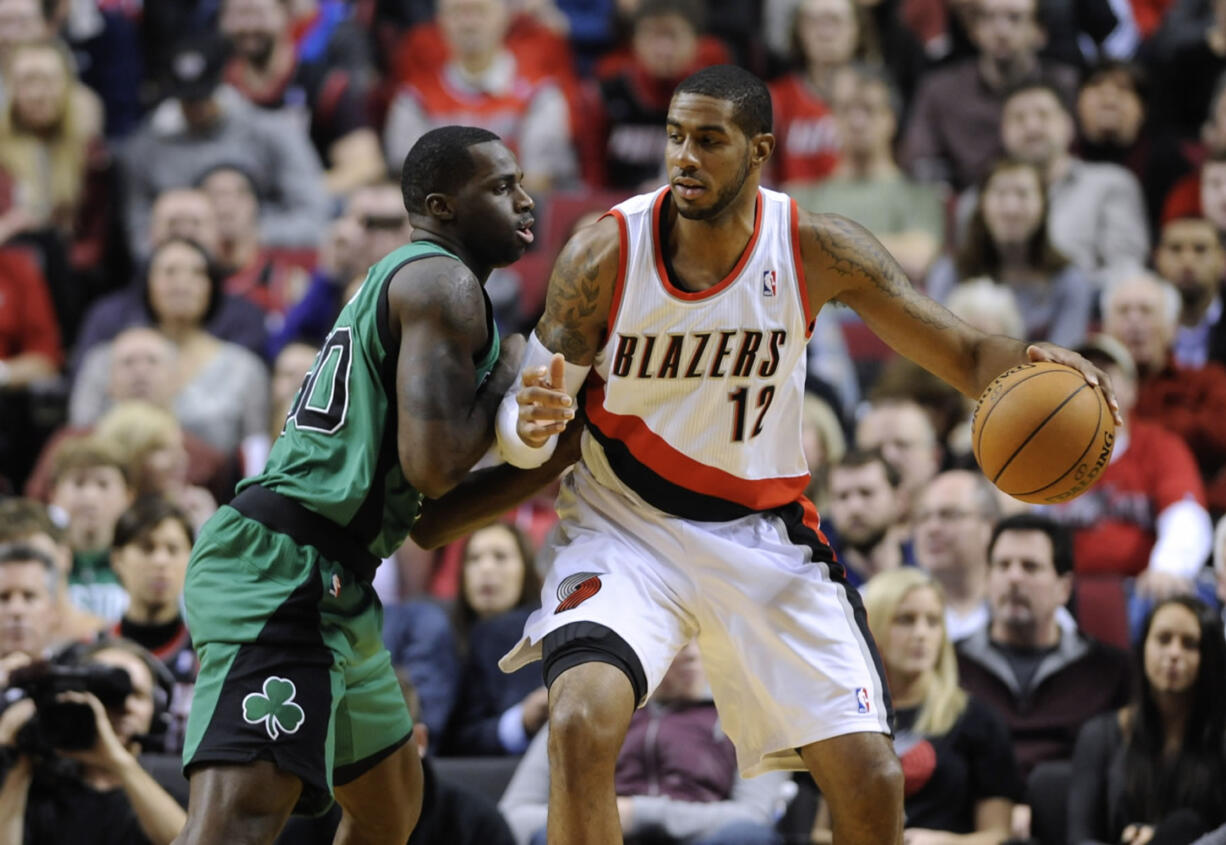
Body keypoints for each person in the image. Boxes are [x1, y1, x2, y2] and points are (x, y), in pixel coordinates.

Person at [492, 65, 1119, 845]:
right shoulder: (603, 255)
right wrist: (531, 423)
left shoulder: (814, 247)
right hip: (627, 526)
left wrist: (1033, 361)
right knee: (581, 723)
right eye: (676, 137)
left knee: (871, 777)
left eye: (709, 141)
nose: (685, 157)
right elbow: (523, 430)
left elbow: (959, 350)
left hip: (764, 532)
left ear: (759, 151)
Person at [171, 125, 580, 845]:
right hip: (281, 573)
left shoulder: (421, 287)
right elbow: (436, 466)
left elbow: (427, 518)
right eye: (500, 186)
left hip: (337, 579)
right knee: (234, 827)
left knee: (391, 807)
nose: (525, 202)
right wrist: (510, 365)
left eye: (521, 184)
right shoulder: (440, 281)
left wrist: (552, 460)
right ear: (441, 205)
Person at [500, 642, 789, 845]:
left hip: (701, 838)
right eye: (674, 637)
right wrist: (599, 820)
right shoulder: (578, 712)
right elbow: (515, 815)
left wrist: (638, 815)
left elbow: (754, 816)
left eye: (700, 635)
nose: (690, 652)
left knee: (746, 838)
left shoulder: (752, 716)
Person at [812, 568, 1022, 843]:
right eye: (905, 620)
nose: (921, 633)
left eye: (933, 622)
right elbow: (816, 833)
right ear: (871, 627)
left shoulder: (979, 720)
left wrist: (948, 843)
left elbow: (999, 835)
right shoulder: (844, 717)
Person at [957, 514, 1133, 779]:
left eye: (1030, 567)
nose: (1014, 578)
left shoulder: (1111, 671)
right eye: (1003, 565)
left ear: (1064, 588)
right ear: (986, 580)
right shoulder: (949, 664)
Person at [1067, 596, 1226, 845]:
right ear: (1142, 649)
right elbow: (1080, 837)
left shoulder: (1220, 735)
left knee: (1183, 826)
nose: (1174, 653)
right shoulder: (1100, 735)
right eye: (1163, 639)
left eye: (1190, 644)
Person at [0, 638, 186, 845]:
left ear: (157, 710)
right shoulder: (41, 784)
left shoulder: (180, 779)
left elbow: (189, 840)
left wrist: (118, 762)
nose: (125, 707)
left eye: (137, 695)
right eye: (108, 694)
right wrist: (19, 761)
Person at [928, 158, 1093, 348]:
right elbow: (935, 347)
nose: (1011, 209)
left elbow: (1067, 358)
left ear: (1043, 206)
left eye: (1023, 195)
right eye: (1000, 194)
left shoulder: (1069, 280)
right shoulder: (951, 272)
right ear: (981, 204)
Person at [444, 521, 546, 756]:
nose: (486, 568)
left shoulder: (548, 634)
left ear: (527, 570)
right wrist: (521, 720)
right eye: (473, 559)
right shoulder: (444, 636)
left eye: (500, 557)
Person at [109, 497, 199, 752]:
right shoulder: (91, 652)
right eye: (147, 548)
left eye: (173, 549)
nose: (161, 561)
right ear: (117, 559)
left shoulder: (211, 655)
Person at [912, 470, 1002, 642]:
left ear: (989, 527)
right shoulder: (877, 605)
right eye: (923, 517)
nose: (932, 528)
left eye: (949, 515)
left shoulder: (1030, 610)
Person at [0, 498, 104, 647]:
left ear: (65, 556)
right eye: (7, 559)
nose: (21, 570)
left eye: (32, 555)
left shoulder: (100, 638)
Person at [826, 448, 914, 589]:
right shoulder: (819, 577)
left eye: (866, 493)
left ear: (899, 499)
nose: (855, 507)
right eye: (843, 496)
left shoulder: (926, 567)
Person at [1154, 215, 1226, 369]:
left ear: (1222, 259)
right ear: (1157, 257)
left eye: (1200, 249)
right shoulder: (1142, 324)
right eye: (1175, 249)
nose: (1187, 261)